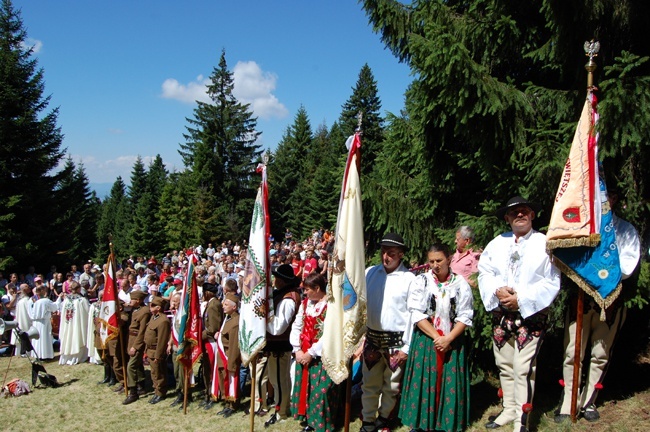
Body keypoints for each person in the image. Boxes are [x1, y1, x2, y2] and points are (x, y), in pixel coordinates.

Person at [555, 190, 641, 423]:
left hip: (610, 298)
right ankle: (568, 402)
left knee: (600, 352)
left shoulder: (626, 231)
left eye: (610, 197)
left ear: (614, 200)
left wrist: (600, 276)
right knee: (573, 350)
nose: (606, 201)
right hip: (581, 297)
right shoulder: (582, 227)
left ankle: (589, 400)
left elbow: (628, 264)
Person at [478, 196, 561, 432]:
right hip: (502, 315)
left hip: (530, 316)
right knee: (504, 364)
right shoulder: (497, 243)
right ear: (507, 218)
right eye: (514, 213)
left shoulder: (545, 243)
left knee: (523, 368)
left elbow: (552, 280)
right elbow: (485, 272)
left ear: (532, 215)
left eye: (524, 211)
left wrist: (520, 299)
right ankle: (509, 409)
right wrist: (497, 289)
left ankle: (521, 421)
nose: (520, 215)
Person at [399, 243, 473, 431]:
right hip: (426, 338)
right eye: (431, 261)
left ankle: (445, 422)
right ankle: (420, 423)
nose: (435, 265)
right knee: (424, 380)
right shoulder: (421, 281)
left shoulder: (461, 283)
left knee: (448, 381)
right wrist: (437, 337)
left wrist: (448, 338)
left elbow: (465, 315)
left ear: (449, 259)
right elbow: (416, 312)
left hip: (452, 339)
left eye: (439, 260)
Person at [360, 233, 416, 432]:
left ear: (401, 254)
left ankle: (383, 419)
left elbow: (412, 316)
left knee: (391, 386)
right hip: (373, 338)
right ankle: (367, 421)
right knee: (369, 383)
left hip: (396, 341)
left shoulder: (410, 279)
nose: (386, 256)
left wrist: (407, 346)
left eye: (391, 253)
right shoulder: (369, 273)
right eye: (384, 252)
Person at [290, 273, 340, 432]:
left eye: (307, 289)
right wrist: (297, 349)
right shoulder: (305, 305)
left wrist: (311, 352)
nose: (305, 293)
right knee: (306, 389)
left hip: (322, 355)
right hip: (304, 354)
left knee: (320, 391)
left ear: (317, 288)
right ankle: (309, 421)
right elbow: (297, 326)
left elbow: (330, 333)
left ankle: (322, 424)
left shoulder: (331, 305)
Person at [264, 263, 301, 427]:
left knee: (279, 379)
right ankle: (282, 406)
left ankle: (281, 410)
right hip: (277, 345)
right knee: (278, 378)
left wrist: (263, 320)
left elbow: (278, 328)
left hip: (281, 344)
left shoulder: (288, 299)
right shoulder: (284, 295)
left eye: (276, 277)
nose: (274, 280)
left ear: (282, 280)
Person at [122, 290, 151, 404]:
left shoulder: (144, 312)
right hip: (131, 339)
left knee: (131, 366)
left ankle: (133, 391)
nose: (130, 301)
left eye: (132, 299)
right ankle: (141, 386)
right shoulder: (136, 310)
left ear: (138, 300)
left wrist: (136, 346)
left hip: (137, 341)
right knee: (137, 365)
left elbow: (142, 331)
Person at [215, 292, 241, 418]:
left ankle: (233, 404)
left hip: (228, 357)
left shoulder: (236, 322)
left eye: (226, 304)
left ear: (234, 307)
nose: (223, 306)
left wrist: (232, 363)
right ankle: (227, 402)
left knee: (230, 382)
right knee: (223, 380)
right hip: (221, 356)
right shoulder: (227, 319)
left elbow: (234, 345)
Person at [200, 282, 223, 410]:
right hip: (208, 341)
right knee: (207, 369)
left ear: (207, 293)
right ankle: (208, 393)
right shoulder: (211, 304)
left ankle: (214, 393)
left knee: (212, 370)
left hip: (212, 342)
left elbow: (213, 328)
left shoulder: (214, 305)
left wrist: (199, 336)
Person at [145, 295, 171, 404]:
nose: (150, 307)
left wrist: (158, 355)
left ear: (158, 308)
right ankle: (156, 390)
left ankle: (160, 392)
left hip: (156, 351)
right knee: (154, 373)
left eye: (152, 306)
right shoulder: (153, 317)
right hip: (150, 350)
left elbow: (162, 340)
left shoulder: (163, 321)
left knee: (159, 373)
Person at [58, 281, 91, 365]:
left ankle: (68, 356)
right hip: (77, 324)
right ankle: (77, 356)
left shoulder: (66, 300)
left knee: (69, 336)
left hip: (68, 323)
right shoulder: (81, 300)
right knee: (76, 335)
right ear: (79, 289)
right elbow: (88, 312)